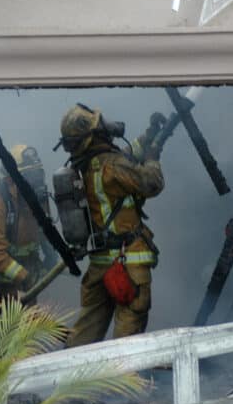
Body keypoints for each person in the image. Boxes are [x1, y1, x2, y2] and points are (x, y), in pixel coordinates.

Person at [57, 103, 164, 346]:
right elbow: (151, 183)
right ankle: (121, 382)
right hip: (128, 264)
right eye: (99, 125)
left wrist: (149, 134)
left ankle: (69, 381)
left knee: (84, 335)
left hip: (99, 264)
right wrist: (153, 159)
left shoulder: (83, 166)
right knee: (127, 342)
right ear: (93, 134)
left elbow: (126, 155)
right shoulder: (111, 165)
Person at [0, 144, 50, 308]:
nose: (36, 181)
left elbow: (43, 228)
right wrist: (24, 276)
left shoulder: (36, 199)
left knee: (30, 325)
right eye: (30, 175)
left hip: (27, 280)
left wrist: (50, 253)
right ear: (11, 179)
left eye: (38, 174)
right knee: (9, 328)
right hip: (0, 286)